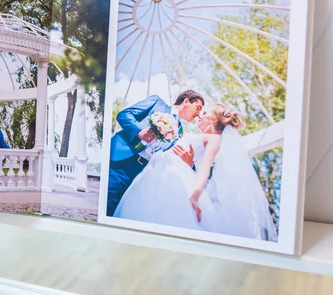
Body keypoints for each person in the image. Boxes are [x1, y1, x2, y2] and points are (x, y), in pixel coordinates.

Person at [114, 103, 278, 242]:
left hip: (173, 176)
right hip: (158, 171)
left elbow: (205, 167)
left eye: (204, 113)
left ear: (213, 120)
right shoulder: (198, 135)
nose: (200, 115)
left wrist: (194, 196)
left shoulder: (214, 139)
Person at [106, 89, 204, 217]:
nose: (199, 114)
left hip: (141, 173)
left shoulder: (179, 132)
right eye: (198, 108)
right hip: (123, 161)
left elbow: (176, 158)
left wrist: (191, 165)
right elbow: (124, 115)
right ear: (186, 101)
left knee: (120, 211)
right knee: (108, 203)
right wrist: (138, 132)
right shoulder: (157, 103)